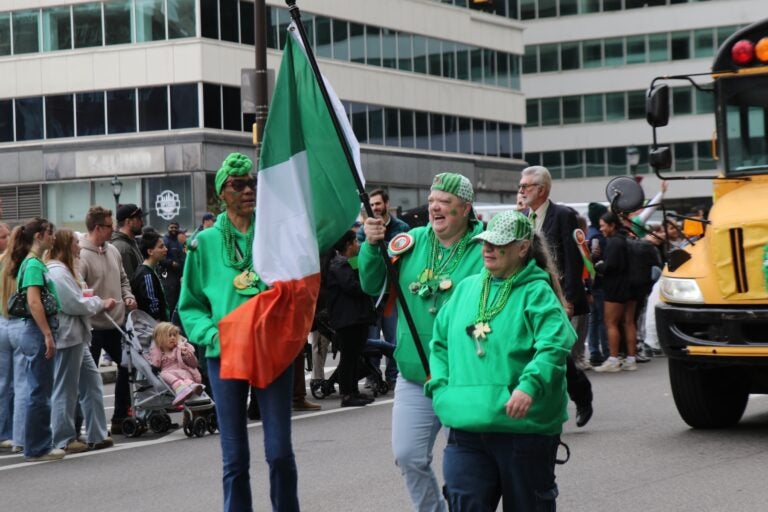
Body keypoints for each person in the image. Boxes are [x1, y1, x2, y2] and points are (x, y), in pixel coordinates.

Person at [427, 210, 575, 511]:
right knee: (464, 503)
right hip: (465, 426)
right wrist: (441, 389)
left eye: (498, 243)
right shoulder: (466, 289)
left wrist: (529, 386)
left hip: (522, 429)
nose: (488, 248)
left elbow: (555, 343)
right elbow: (439, 343)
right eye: (485, 242)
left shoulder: (536, 292)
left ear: (522, 248)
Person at [178, 152, 299, 512]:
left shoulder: (277, 232)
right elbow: (191, 304)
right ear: (221, 194)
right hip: (226, 354)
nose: (248, 190)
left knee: (279, 452)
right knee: (234, 458)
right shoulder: (204, 244)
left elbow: (298, 288)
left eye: (252, 183)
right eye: (238, 184)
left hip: (272, 353)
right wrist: (212, 336)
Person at [359, 172, 484, 512]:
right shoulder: (410, 242)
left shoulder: (484, 248)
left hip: (466, 376)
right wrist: (371, 246)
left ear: (465, 208)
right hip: (417, 375)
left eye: (444, 201)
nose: (435, 207)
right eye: (431, 201)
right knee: (408, 456)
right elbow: (372, 285)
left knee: (467, 472)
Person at [518, 165, 593, 428]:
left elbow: (573, 259)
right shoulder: (524, 218)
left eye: (525, 186)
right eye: (521, 186)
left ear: (541, 189)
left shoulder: (562, 215)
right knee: (536, 351)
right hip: (529, 295)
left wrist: (569, 298)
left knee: (556, 351)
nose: (521, 191)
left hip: (556, 295)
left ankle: (581, 396)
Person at [46, 228, 116, 453]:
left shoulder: (65, 270)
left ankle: (97, 433)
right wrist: (99, 302)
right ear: (67, 245)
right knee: (65, 389)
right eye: (75, 242)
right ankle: (64, 438)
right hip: (68, 335)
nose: (79, 246)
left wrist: (90, 299)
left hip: (76, 335)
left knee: (91, 382)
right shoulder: (58, 272)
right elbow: (73, 303)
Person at [9, 218, 64, 461]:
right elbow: (34, 302)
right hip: (36, 330)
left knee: (38, 389)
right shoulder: (33, 265)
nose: (53, 237)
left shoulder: (33, 263)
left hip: (35, 330)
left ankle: (37, 444)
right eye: (50, 233)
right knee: (39, 392)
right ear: (40, 236)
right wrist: (47, 334)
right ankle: (38, 447)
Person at [79, 206, 137, 435]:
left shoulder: (113, 250)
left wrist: (128, 296)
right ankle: (82, 427)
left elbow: (123, 279)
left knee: (127, 365)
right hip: (92, 327)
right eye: (109, 226)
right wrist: (99, 303)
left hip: (116, 323)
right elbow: (79, 290)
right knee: (87, 379)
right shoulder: (81, 255)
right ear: (97, 228)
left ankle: (120, 416)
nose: (113, 230)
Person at [357, 189, 409, 388]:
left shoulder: (401, 226)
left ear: (387, 204)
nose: (375, 208)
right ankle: (373, 375)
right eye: (372, 204)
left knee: (393, 336)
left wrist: (386, 247)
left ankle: (394, 375)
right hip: (371, 296)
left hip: (393, 294)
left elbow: (405, 254)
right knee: (372, 338)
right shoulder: (364, 230)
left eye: (378, 204)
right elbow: (361, 259)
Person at [327, 230, 377, 407]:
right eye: (356, 241)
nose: (358, 245)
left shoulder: (346, 263)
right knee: (348, 358)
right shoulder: (339, 264)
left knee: (355, 356)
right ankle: (347, 394)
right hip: (348, 319)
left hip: (356, 317)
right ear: (348, 245)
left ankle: (354, 391)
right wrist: (370, 283)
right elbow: (352, 287)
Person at [593, 212, 638, 372]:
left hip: (615, 287)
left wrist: (599, 265)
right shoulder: (626, 238)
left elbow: (610, 266)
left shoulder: (614, 243)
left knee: (610, 322)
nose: (601, 229)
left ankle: (613, 359)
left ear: (612, 225)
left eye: (603, 225)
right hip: (631, 286)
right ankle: (631, 359)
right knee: (629, 322)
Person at [0, 223, 26, 453]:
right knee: (19, 383)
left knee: (4, 383)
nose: (5, 239)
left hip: (3, 321)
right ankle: (15, 435)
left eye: (8, 235)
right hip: (15, 322)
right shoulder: (22, 263)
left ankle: (4, 432)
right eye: (2, 236)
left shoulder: (3, 261)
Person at [148, 322, 203, 406]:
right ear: (160, 339)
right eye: (169, 336)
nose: (173, 338)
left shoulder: (179, 348)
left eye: (174, 335)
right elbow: (156, 363)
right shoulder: (159, 351)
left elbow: (193, 364)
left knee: (164, 374)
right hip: (171, 374)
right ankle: (189, 386)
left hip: (184, 372)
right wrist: (156, 350)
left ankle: (184, 388)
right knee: (164, 374)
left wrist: (186, 354)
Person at [586, 202, 609, 366]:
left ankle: (594, 350)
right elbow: (596, 259)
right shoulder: (597, 237)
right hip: (598, 282)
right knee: (601, 318)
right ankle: (604, 351)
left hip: (591, 282)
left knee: (594, 318)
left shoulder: (589, 232)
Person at [131, 231, 169, 321]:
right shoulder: (146, 274)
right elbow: (153, 306)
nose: (166, 249)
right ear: (150, 251)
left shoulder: (151, 270)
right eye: (161, 247)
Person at [110, 203, 145, 281]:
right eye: (139, 219)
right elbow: (129, 283)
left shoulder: (131, 242)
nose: (142, 223)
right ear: (128, 222)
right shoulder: (122, 247)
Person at [162, 221, 186, 315]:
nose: (173, 229)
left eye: (175, 227)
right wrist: (171, 263)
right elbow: (161, 259)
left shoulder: (178, 240)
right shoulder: (165, 241)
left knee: (179, 300)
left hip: (179, 275)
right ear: (168, 228)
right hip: (169, 276)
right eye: (171, 227)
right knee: (171, 301)